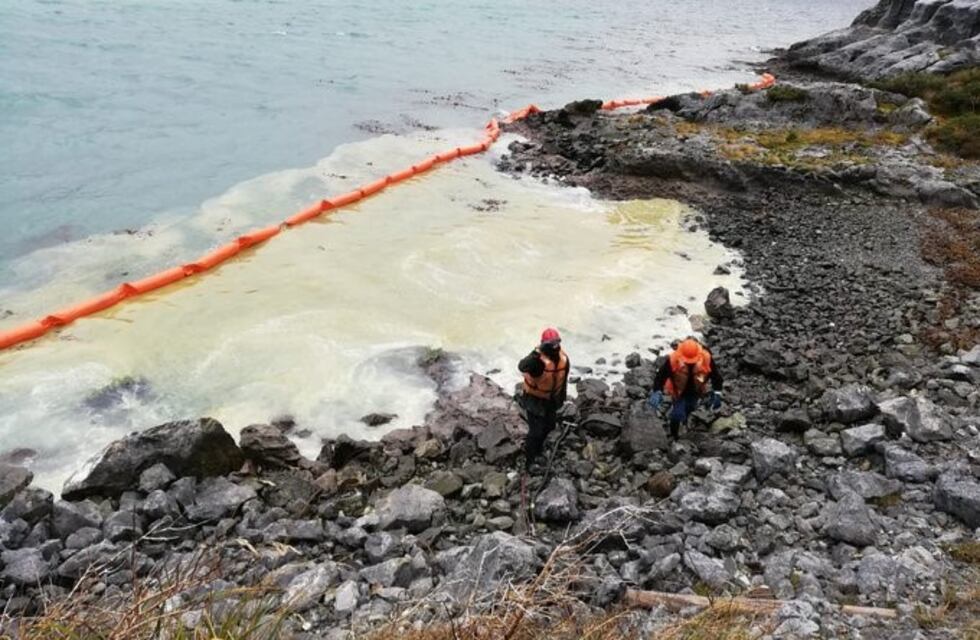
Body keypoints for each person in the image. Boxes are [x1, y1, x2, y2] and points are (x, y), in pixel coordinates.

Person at [648, 338, 723, 439]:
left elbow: (716, 377)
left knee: (690, 407)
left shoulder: (706, 358)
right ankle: (674, 436)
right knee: (677, 415)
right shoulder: (673, 359)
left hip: (696, 389)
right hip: (678, 391)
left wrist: (717, 392)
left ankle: (685, 419)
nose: (690, 363)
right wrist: (657, 391)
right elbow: (661, 376)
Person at [518, 327, 570, 471]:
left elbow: (563, 379)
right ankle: (529, 462)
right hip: (534, 400)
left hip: (551, 400)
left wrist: (561, 399)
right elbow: (522, 366)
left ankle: (539, 450)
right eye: (551, 344)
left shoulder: (563, 359)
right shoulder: (537, 361)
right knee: (536, 432)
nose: (555, 347)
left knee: (549, 426)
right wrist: (535, 353)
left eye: (557, 343)